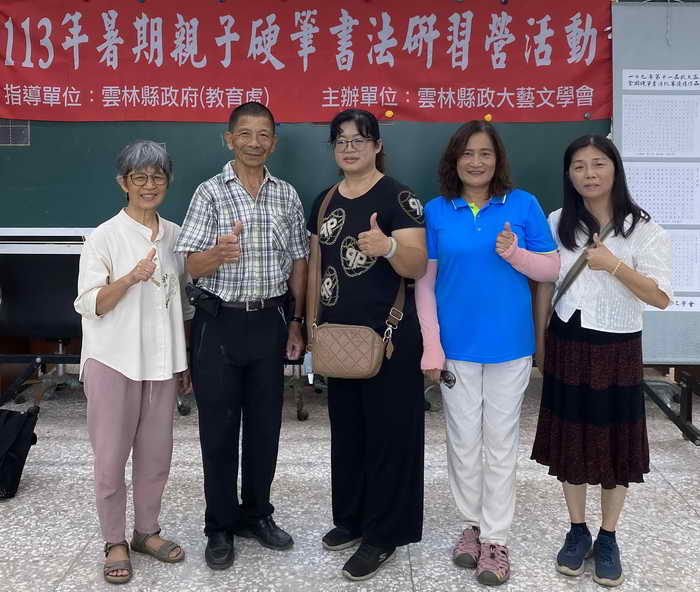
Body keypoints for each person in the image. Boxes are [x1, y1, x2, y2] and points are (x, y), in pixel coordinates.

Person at [415, 120, 560, 586]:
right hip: (456, 348)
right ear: (453, 161)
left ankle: (496, 538)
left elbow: (550, 268)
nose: (476, 162)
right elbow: (425, 283)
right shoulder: (437, 211)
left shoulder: (523, 204)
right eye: (467, 153)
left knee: (499, 442)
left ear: (498, 160)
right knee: (462, 441)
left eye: (485, 153)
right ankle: (471, 526)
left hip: (510, 345)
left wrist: (516, 254)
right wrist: (432, 345)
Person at [531, 135, 672, 587]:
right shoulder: (558, 221)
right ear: (568, 174)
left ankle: (608, 536)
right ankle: (577, 530)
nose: (589, 174)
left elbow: (661, 297)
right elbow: (547, 284)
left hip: (617, 347)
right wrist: (540, 342)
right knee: (571, 440)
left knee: (615, 444)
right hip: (568, 341)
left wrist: (613, 264)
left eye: (598, 164)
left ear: (615, 169)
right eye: (578, 166)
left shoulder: (644, 228)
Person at [174, 102, 308, 570]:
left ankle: (257, 514)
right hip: (219, 324)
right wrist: (217, 253)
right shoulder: (209, 193)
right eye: (245, 134)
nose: (254, 142)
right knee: (218, 429)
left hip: (270, 321)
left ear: (274, 141)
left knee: (265, 427)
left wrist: (297, 321)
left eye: (263, 134)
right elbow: (190, 264)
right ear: (229, 139)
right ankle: (219, 524)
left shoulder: (286, 195)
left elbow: (299, 260)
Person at [307, 109, 427, 581]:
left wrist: (389, 248)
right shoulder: (324, 200)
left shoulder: (400, 197)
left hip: (389, 337)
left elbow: (417, 265)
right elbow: (316, 268)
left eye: (359, 139)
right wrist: (310, 323)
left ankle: (384, 534)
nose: (349, 148)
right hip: (338, 338)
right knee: (349, 434)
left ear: (377, 145)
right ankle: (353, 518)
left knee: (390, 438)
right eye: (340, 140)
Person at [75, 140, 193, 585]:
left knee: (156, 457)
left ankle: (146, 532)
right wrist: (129, 278)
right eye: (139, 177)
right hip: (113, 362)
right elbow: (90, 304)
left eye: (157, 176)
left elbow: (181, 305)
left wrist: (183, 361)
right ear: (122, 182)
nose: (149, 185)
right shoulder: (103, 237)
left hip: (161, 363)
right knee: (110, 461)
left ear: (168, 181)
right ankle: (114, 541)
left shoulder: (175, 236)